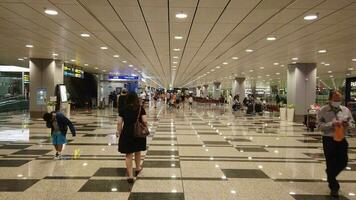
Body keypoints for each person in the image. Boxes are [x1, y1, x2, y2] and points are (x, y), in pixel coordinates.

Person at [317, 91, 354, 197]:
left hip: (342, 138)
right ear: (330, 99)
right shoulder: (323, 110)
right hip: (329, 139)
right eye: (335, 99)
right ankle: (334, 187)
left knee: (343, 162)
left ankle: (330, 173)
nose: (337, 101)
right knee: (330, 162)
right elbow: (319, 126)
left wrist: (348, 124)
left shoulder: (346, 110)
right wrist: (332, 124)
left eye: (339, 99)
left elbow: (352, 123)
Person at [116, 92, 148, 183]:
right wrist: (145, 127)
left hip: (127, 133)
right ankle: (138, 168)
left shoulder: (123, 109)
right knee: (138, 151)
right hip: (138, 133)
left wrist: (119, 132)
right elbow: (145, 121)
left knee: (128, 154)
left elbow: (119, 123)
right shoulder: (140, 109)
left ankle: (130, 175)